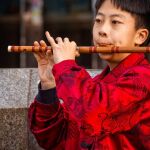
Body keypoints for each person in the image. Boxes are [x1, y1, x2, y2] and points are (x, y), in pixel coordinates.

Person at [28, 0, 150, 149]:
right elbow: (55, 139)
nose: (102, 30)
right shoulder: (97, 84)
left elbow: (93, 113)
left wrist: (66, 66)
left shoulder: (144, 80)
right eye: (98, 20)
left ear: (140, 36)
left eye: (115, 22)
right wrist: (49, 84)